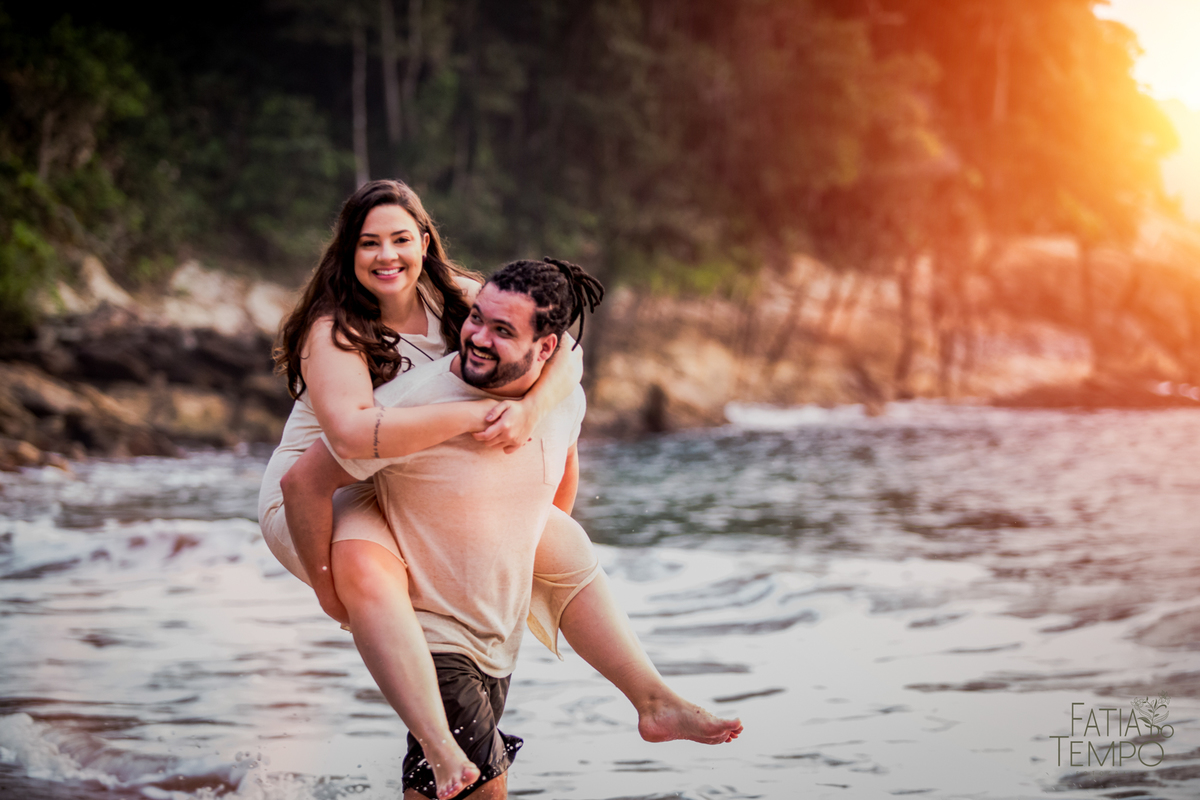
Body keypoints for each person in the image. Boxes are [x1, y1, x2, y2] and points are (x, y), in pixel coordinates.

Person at [258, 181, 740, 799]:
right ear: (345, 251)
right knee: (369, 570)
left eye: (401, 239)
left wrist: (532, 411)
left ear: (425, 241)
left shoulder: (458, 296)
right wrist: (330, 591)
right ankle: (440, 748)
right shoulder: (336, 331)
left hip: (408, 469)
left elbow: (562, 348)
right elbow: (348, 441)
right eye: (368, 242)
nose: (387, 256)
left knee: (554, 536)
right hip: (323, 493)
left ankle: (653, 700)